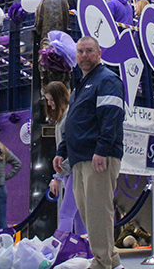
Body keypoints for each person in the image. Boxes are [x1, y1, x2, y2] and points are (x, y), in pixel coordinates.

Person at [53, 36, 125, 269]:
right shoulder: (81, 85)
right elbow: (72, 123)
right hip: (79, 159)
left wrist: (102, 150)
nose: (84, 55)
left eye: (89, 51)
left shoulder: (107, 80)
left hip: (98, 158)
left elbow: (111, 118)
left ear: (99, 53)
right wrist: (62, 151)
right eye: (80, 51)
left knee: (97, 213)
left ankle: (102, 262)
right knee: (87, 213)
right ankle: (111, 260)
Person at [45, 81, 85, 236]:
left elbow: (70, 146)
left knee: (66, 212)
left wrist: (58, 176)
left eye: (51, 99)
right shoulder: (63, 117)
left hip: (73, 169)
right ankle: (84, 250)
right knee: (77, 214)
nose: (49, 103)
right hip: (71, 170)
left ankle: (60, 248)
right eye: (48, 100)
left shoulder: (68, 116)